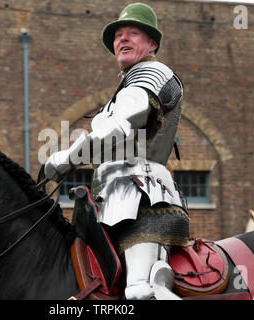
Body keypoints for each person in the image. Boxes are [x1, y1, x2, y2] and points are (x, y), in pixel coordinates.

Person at [44, 3, 189, 300]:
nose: (122, 39)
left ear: (152, 44)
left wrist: (64, 159)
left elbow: (119, 130)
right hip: (110, 200)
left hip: (145, 196)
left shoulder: (152, 73)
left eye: (133, 33)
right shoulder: (125, 85)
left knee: (140, 292)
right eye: (118, 35)